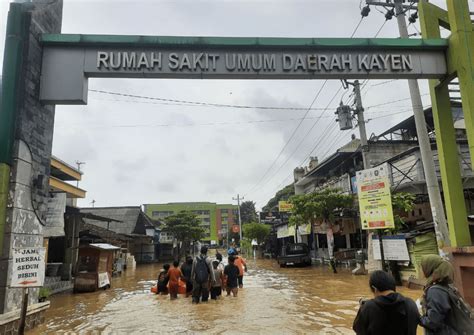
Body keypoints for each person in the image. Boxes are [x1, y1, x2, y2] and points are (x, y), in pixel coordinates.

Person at [420, 254, 474, 335]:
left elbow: (433, 322)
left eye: (421, 267)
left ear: (429, 268)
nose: (420, 270)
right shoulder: (445, 286)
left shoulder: (435, 291)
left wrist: (418, 317)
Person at [353, 270, 419, 335]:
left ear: (375, 289)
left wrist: (363, 309)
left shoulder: (368, 307)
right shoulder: (411, 304)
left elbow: (358, 330)